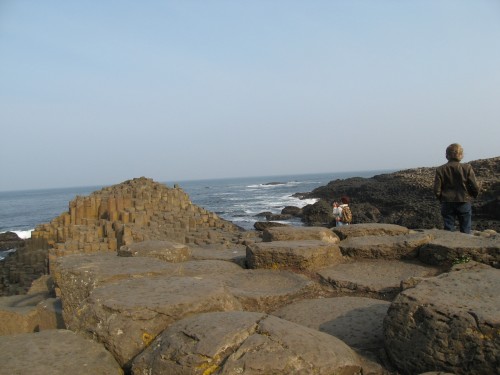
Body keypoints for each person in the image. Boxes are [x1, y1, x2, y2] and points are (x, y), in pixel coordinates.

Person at [433, 143, 479, 234]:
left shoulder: (440, 169)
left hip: (447, 201)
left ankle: (448, 247)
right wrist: (474, 195)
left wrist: (441, 198)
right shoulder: (467, 168)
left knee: (448, 229)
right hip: (464, 201)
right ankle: (466, 246)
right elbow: (475, 186)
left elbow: (436, 190)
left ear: (447, 155)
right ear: (461, 155)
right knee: (466, 228)